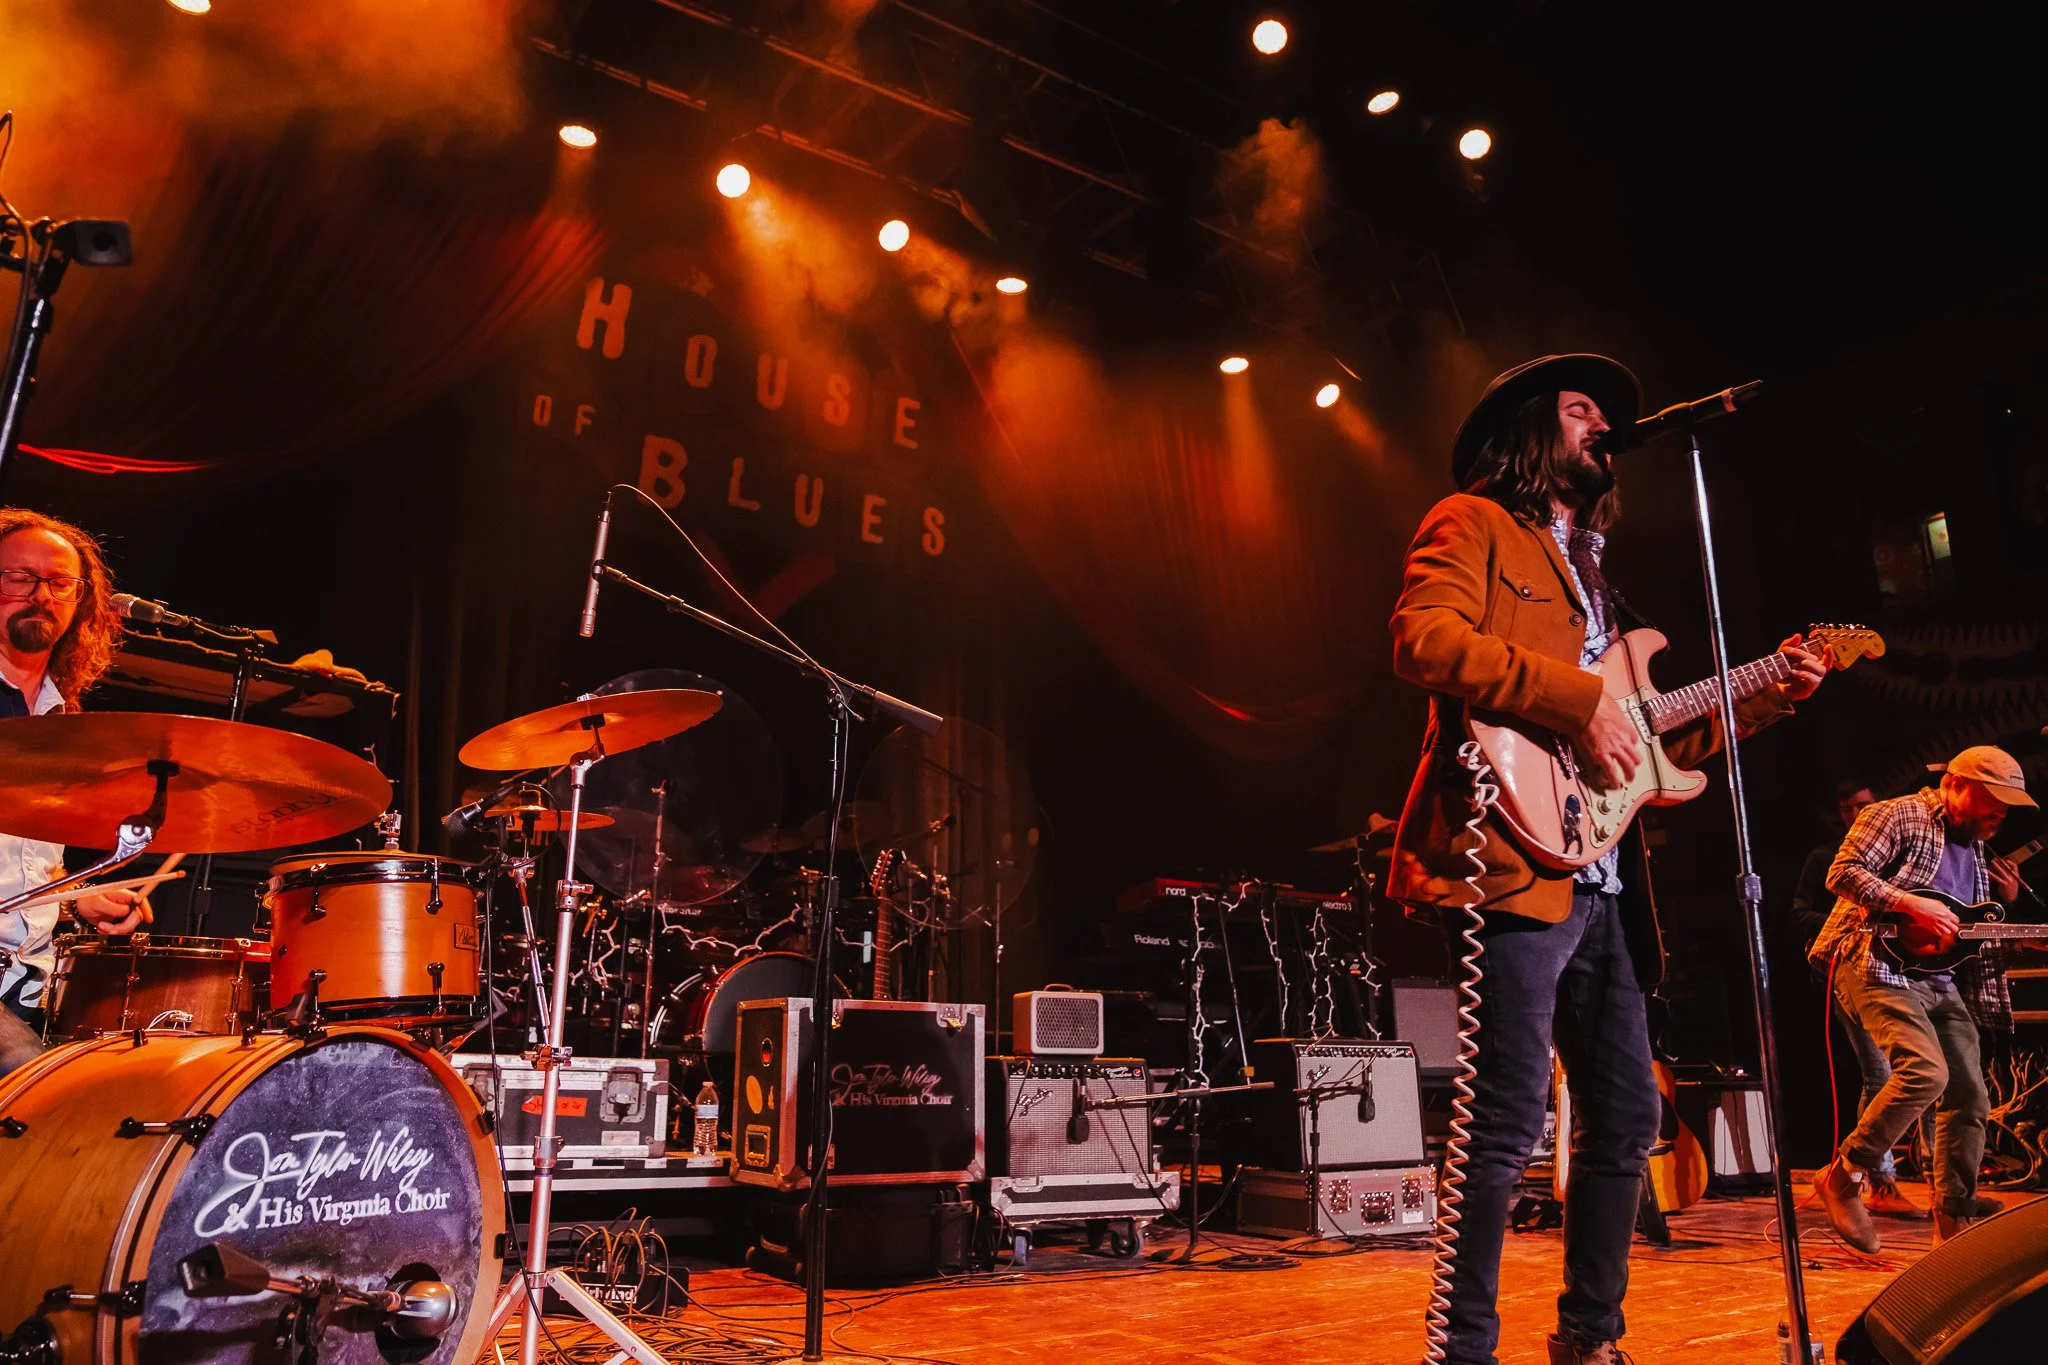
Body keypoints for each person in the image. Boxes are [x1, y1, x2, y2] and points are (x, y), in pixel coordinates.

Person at [1387, 355, 1829, 1365]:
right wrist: (1577, 699)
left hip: (1603, 878)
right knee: (1502, 1117)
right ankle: (1462, 1350)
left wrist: (1769, 693)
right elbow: (1422, 640)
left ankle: (1589, 1338)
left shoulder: (1594, 577)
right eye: (1580, 409)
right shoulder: (1470, 522)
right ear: (1526, 431)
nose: (1602, 425)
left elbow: (1649, 749)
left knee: (1626, 1116)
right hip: (1508, 853)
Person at [1809, 745, 2032, 1249]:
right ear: (1954, 784)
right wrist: (1909, 902)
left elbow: (1961, 929)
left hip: (1937, 978)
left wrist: (2020, 935)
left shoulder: (1974, 844)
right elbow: (1842, 872)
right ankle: (1844, 1176)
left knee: (1970, 1095)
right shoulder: (1898, 814)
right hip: (1873, 961)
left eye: (2007, 804)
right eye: (1992, 799)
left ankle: (1953, 1220)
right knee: (1925, 1072)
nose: (2001, 812)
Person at [0, 509, 153, 1076]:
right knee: (38, 1085)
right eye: (19, 578)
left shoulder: (59, 716)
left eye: (60, 583)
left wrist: (77, 898)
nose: (41, 595)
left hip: (29, 979)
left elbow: (22, 860)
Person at [1790, 779, 1928, 1216]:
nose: (1857, 814)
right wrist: (1855, 917)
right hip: (1855, 968)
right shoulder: (1827, 858)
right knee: (1880, 1075)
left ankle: (1942, 1186)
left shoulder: (1903, 852)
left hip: (1909, 972)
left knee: (1932, 1074)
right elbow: (1800, 914)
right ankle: (1877, 1183)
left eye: (1864, 805)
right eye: (1848, 808)